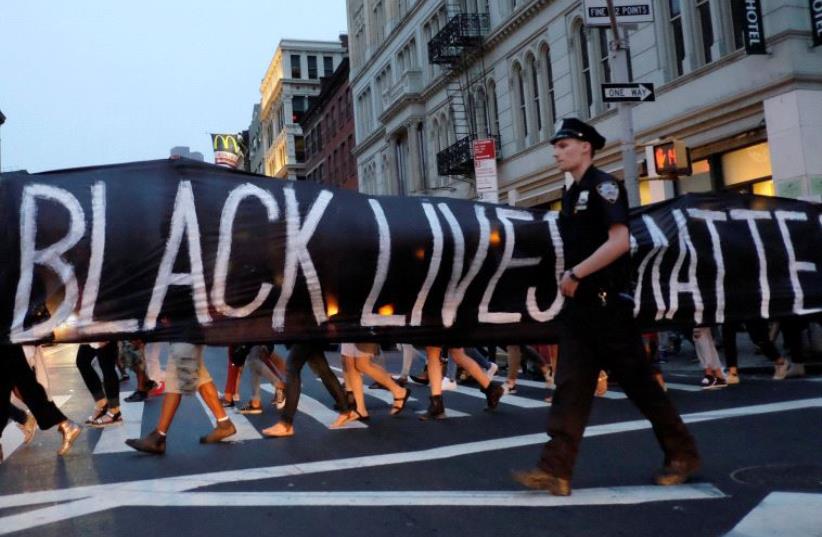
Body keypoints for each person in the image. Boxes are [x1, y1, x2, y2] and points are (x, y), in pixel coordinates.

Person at [513, 118, 700, 496]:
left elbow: (619, 242)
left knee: (641, 387)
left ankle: (681, 454)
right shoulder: (571, 193)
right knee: (570, 388)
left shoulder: (605, 187)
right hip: (579, 308)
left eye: (563, 145)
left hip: (606, 306)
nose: (556, 152)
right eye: (556, 146)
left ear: (585, 147)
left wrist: (576, 274)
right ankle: (555, 470)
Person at [125, 343, 236, 454]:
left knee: (175, 378)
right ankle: (224, 424)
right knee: (199, 374)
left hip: (184, 334)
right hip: (187, 334)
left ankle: (158, 437)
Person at [1, 345, 82, 461]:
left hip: (8, 340)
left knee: (23, 384)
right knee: (22, 385)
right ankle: (65, 424)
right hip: (9, 341)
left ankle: (65, 423)